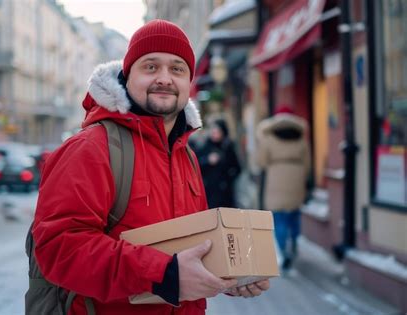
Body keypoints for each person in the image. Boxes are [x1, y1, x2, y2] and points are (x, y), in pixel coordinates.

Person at [32, 19, 270, 314]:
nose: (165, 78)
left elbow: (192, 248)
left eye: (177, 69)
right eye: (151, 66)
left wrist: (228, 275)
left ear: (189, 83)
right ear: (127, 75)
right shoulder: (90, 148)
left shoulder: (187, 155)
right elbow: (59, 249)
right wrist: (165, 275)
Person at [255, 105, 311, 271]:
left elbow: (261, 161)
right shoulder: (301, 138)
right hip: (296, 179)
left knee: (279, 217)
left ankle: (283, 251)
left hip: (275, 180)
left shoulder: (269, 138)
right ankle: (293, 241)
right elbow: (307, 163)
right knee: (294, 214)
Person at [197, 119, 241, 208]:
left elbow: (237, 168)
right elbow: (197, 166)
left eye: (217, 132)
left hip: (226, 192)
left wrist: (228, 179)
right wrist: (207, 161)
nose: (214, 134)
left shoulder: (228, 147)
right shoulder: (205, 146)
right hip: (210, 191)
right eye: (212, 131)